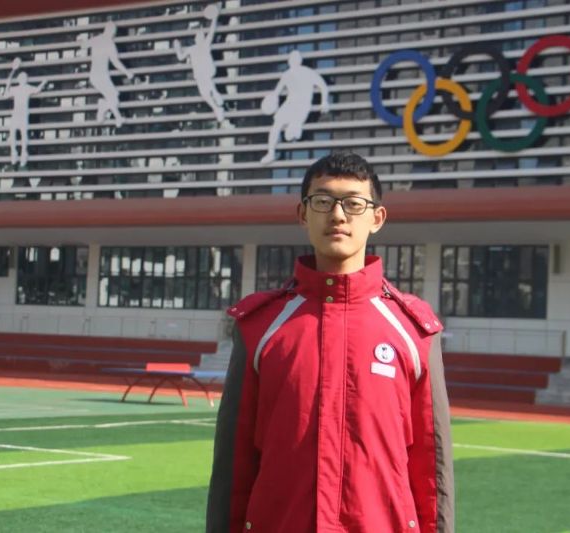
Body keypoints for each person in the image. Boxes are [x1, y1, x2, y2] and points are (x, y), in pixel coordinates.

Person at [206, 152, 454, 532]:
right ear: (303, 214)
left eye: (353, 203)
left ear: (377, 218)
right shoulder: (260, 327)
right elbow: (233, 465)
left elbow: (431, 470)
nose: (338, 215)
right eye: (323, 201)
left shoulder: (414, 331)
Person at [260, 50, 330, 164]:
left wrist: (324, 101)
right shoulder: (287, 74)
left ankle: (294, 131)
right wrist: (270, 103)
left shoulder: (307, 72)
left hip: (302, 105)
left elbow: (323, 86)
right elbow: (276, 93)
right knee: (276, 125)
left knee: (290, 134)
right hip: (290, 104)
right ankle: (271, 153)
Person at [174, 4, 226, 122]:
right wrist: (177, 47)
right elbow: (181, 57)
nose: (200, 36)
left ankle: (215, 96)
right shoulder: (192, 49)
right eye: (198, 34)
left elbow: (212, 31)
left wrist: (215, 18)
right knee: (204, 93)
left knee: (207, 88)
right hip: (200, 75)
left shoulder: (205, 44)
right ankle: (216, 105)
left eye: (201, 34)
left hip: (207, 72)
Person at [79, 21, 134, 128]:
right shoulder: (109, 43)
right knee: (114, 98)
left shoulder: (97, 39)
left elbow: (83, 45)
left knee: (113, 97)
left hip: (94, 76)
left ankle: (114, 115)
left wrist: (80, 39)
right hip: (102, 76)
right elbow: (116, 62)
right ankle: (105, 108)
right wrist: (127, 73)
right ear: (112, 31)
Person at [3, 58, 48, 166]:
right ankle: (14, 153)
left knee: (24, 135)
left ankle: (23, 153)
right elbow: (5, 94)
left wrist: (43, 82)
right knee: (12, 134)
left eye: (25, 77)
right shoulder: (15, 89)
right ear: (19, 79)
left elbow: (37, 90)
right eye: (21, 77)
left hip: (23, 115)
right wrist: (12, 72)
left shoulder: (28, 88)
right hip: (16, 114)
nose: (23, 79)